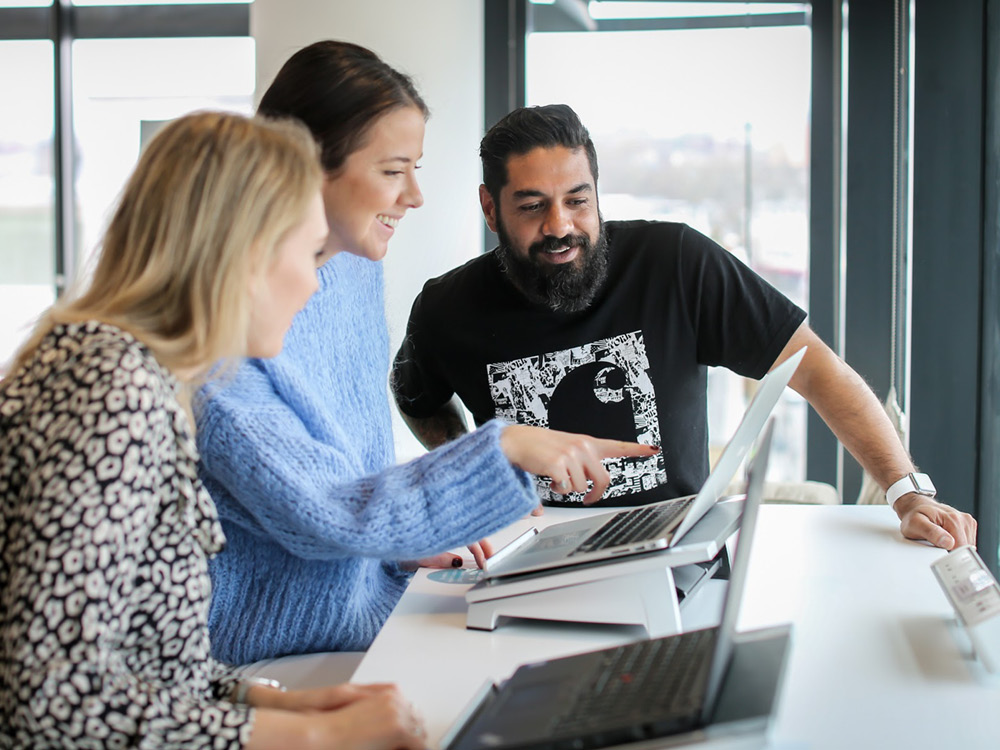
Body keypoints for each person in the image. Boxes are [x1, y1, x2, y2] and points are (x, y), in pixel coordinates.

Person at [194, 42, 655, 666]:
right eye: (392, 170)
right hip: (278, 651)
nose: (414, 194)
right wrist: (506, 444)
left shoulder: (350, 268)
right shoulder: (224, 333)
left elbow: (344, 474)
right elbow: (322, 509)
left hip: (372, 607)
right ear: (300, 164)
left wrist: (396, 548)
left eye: (415, 167)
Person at [0, 111, 430, 748]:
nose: (316, 282)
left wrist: (290, 707)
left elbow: (149, 664)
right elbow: (49, 697)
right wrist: (313, 740)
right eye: (310, 253)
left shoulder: (140, 375)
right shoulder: (111, 385)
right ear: (246, 252)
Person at [391, 103, 977, 551]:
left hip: (676, 550)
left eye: (577, 199)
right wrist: (469, 473)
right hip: (526, 549)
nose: (560, 225)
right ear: (490, 208)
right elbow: (416, 396)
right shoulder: (447, 307)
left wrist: (905, 491)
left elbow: (817, 370)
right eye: (531, 205)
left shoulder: (675, 261)